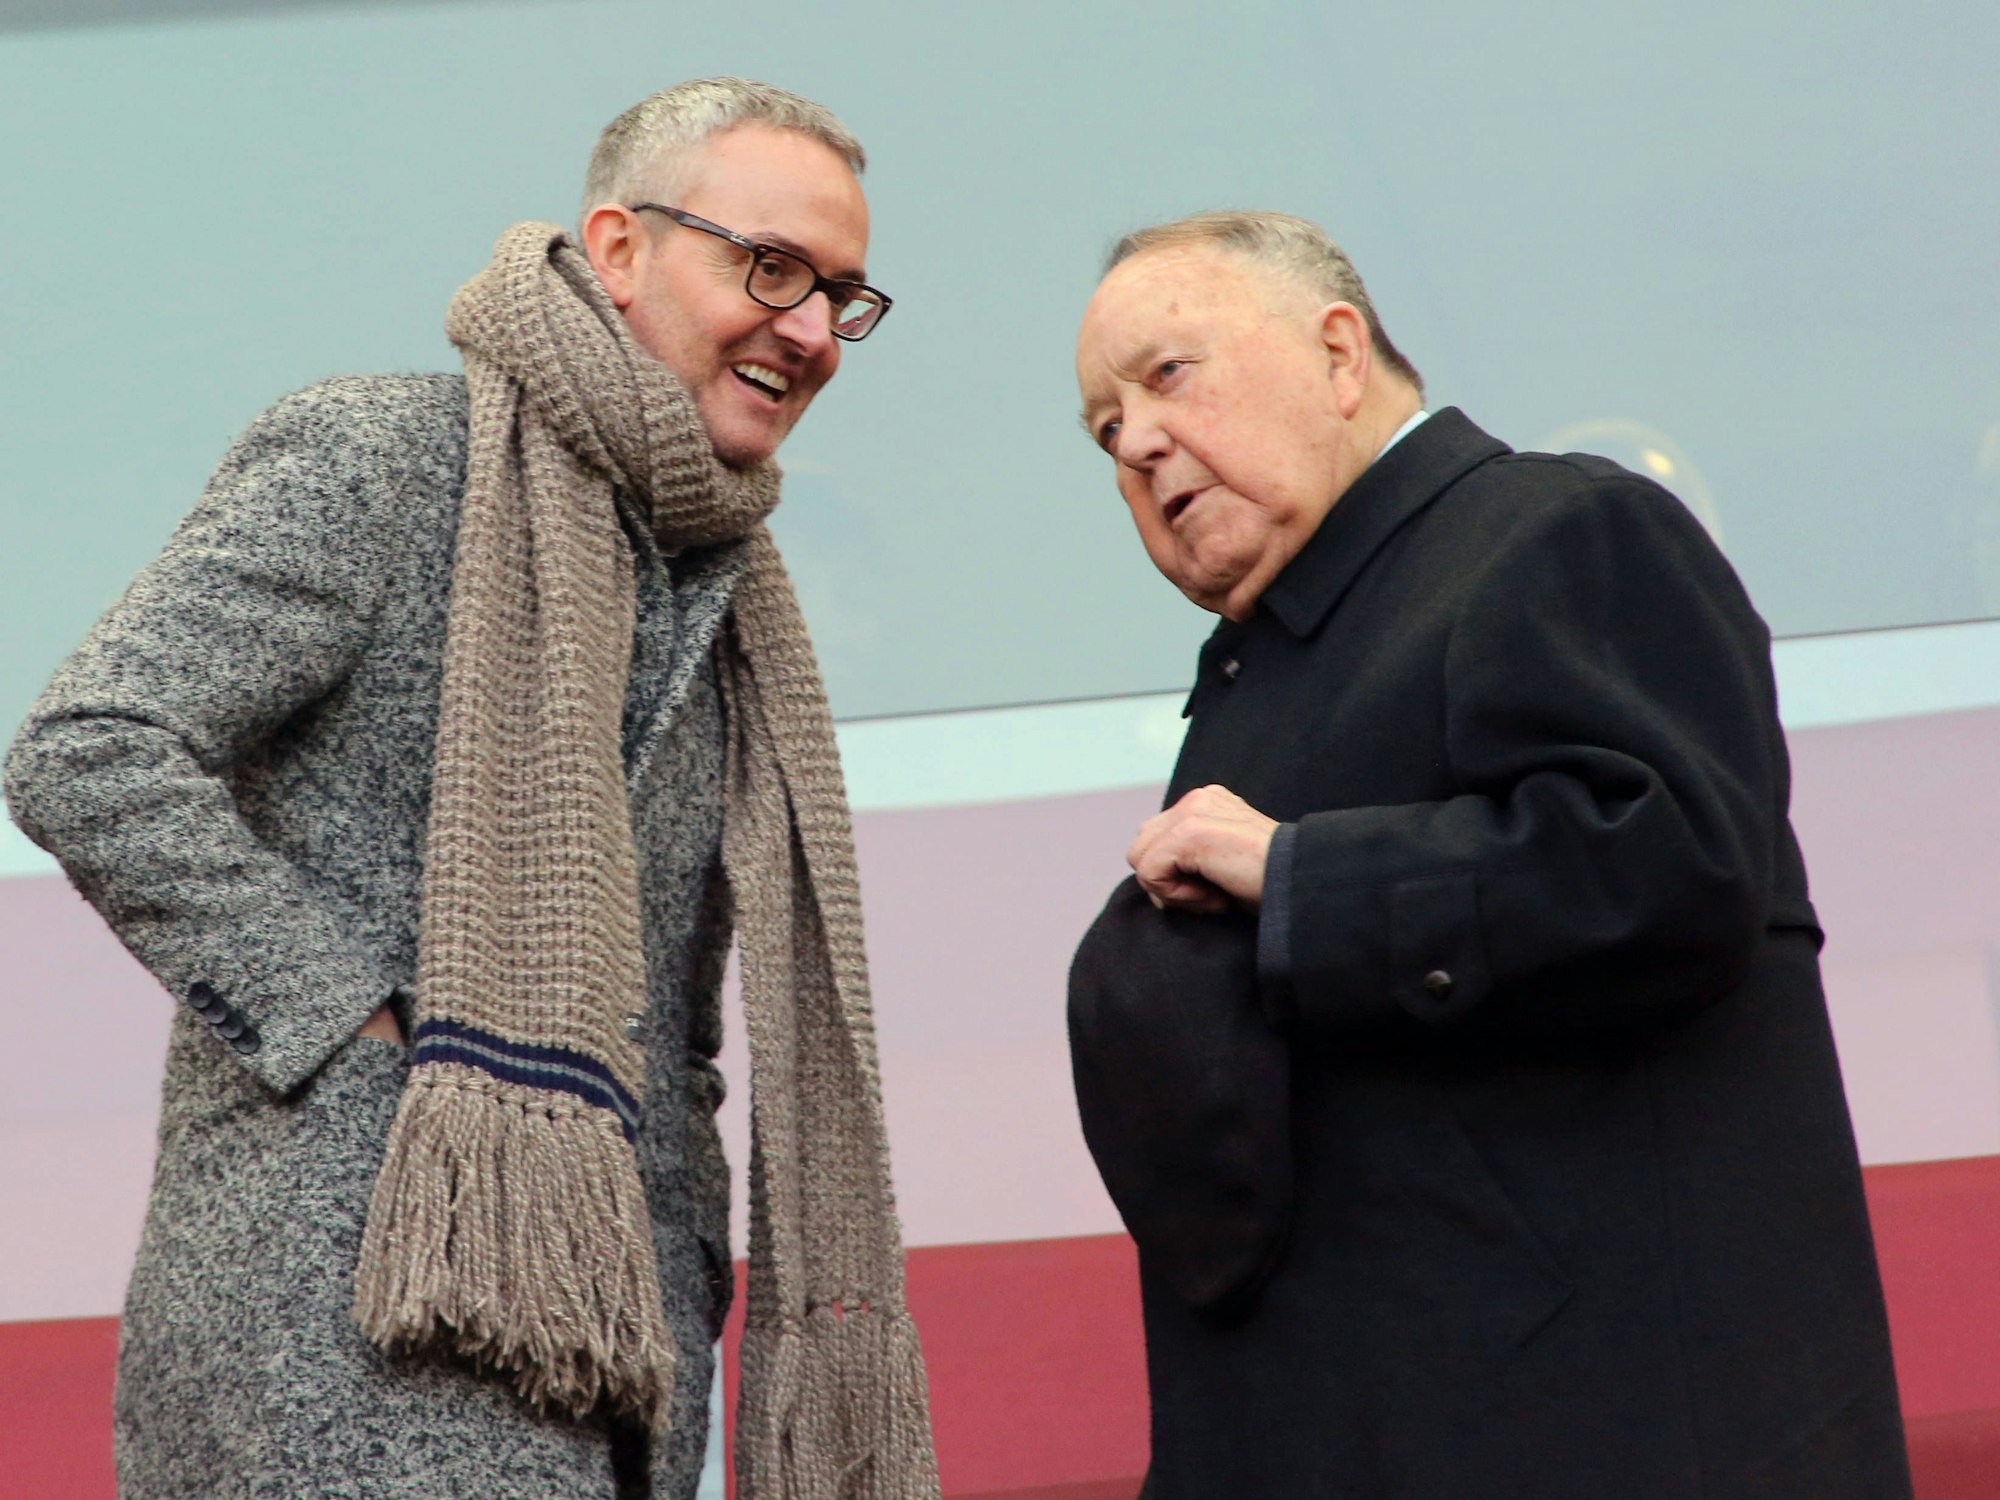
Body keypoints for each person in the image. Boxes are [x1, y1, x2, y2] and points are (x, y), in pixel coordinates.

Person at [5, 77, 938, 1500]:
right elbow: (89, 744)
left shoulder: (728, 596)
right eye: (770, 269)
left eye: (843, 298)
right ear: (617, 247)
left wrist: (680, 1285)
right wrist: (354, 1034)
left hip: (606, 1374)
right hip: (328, 1343)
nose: (809, 330)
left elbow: (670, 1035)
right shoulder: (383, 458)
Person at [1067, 210, 1913, 1498]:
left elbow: (1669, 863)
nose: (1133, 440)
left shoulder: (1555, 530)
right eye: (1102, 426)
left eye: (1166, 375)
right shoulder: (1280, 648)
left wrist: (1298, 874)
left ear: (1340, 354)